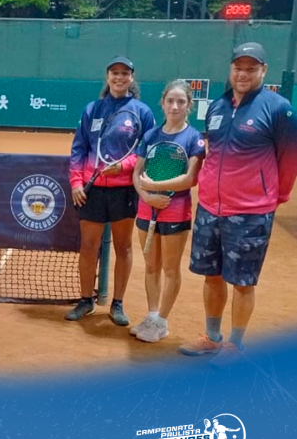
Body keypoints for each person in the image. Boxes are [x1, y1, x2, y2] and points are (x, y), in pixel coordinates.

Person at [180, 42, 297, 366]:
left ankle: (235, 344)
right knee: (212, 276)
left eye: (251, 68)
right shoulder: (217, 106)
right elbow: (214, 151)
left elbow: (289, 159)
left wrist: (274, 197)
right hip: (210, 208)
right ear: (231, 70)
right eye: (238, 68)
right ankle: (212, 337)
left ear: (264, 70)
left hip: (251, 212)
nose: (243, 74)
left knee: (243, 282)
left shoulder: (279, 108)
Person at [68, 56, 155, 325]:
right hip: (92, 190)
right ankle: (86, 301)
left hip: (124, 190)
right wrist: (76, 182)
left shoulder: (142, 112)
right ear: (108, 77)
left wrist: (124, 166)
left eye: (124, 73)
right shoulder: (92, 109)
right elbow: (79, 148)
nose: (119, 77)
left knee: (123, 247)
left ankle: (117, 304)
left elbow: (147, 151)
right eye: (114, 72)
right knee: (88, 246)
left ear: (132, 77)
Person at [131, 80, 205, 342]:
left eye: (181, 102)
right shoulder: (150, 135)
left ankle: (162, 321)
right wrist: (146, 196)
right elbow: (137, 173)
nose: (175, 106)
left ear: (189, 106)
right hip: (146, 210)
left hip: (176, 211)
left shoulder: (194, 138)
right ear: (162, 103)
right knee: (151, 266)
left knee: (170, 269)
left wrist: (154, 187)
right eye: (170, 101)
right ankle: (152, 316)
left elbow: (189, 179)